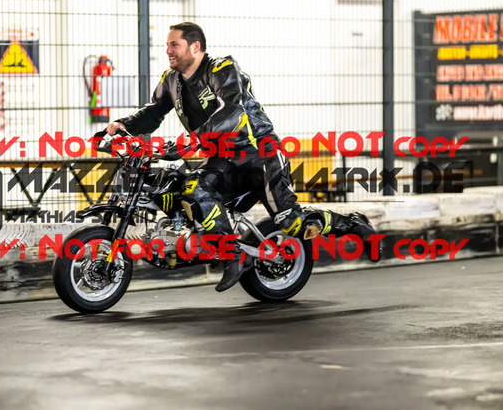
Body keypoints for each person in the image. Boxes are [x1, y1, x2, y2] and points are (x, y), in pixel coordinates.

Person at [107, 22, 381, 292]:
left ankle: (354, 224)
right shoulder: (171, 80)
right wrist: (122, 126)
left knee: (291, 223)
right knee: (192, 188)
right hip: (223, 158)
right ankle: (232, 253)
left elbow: (233, 110)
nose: (168, 50)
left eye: (174, 44)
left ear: (195, 47)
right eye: (167, 45)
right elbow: (153, 111)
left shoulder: (221, 69)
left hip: (259, 155)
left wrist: (196, 138)